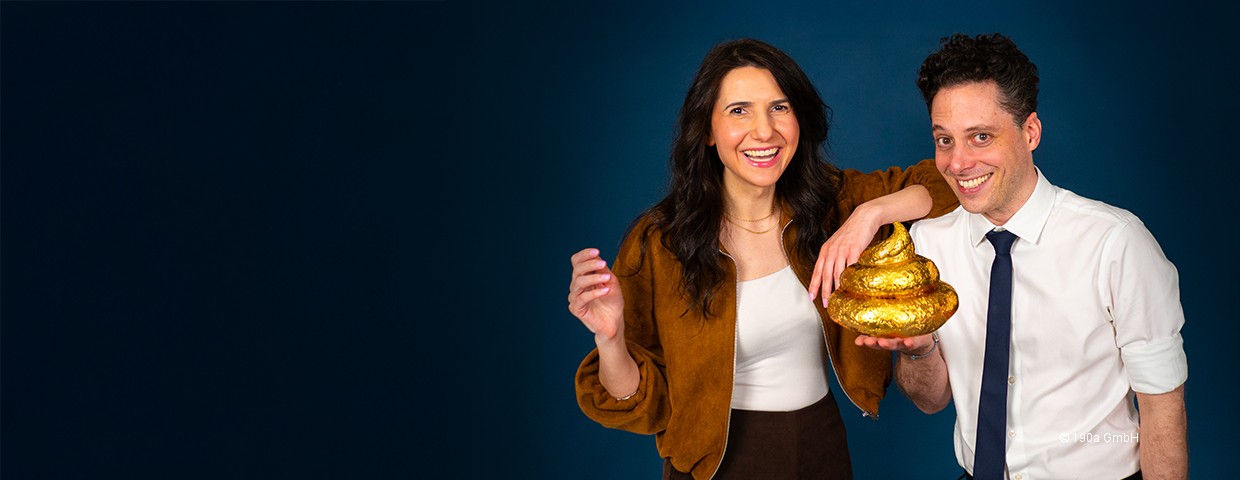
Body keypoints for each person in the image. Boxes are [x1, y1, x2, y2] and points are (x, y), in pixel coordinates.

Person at [567, 38, 959, 479]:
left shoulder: (833, 203)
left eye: (779, 108)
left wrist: (870, 215)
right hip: (717, 467)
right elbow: (643, 403)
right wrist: (611, 340)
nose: (764, 131)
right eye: (739, 111)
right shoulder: (659, 242)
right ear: (708, 131)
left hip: (822, 449)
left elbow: (950, 180)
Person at [826, 33, 1188, 479]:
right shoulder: (929, 246)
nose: (958, 163)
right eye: (944, 140)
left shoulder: (1115, 243)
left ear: (1030, 132)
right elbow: (931, 400)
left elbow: (1162, 404)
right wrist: (919, 350)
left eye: (980, 137)